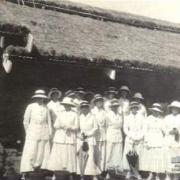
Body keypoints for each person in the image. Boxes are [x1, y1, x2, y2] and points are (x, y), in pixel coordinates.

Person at [20, 90, 52, 173]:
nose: (40, 99)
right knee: (32, 149)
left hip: (43, 131)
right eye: (38, 98)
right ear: (35, 98)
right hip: (32, 131)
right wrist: (28, 131)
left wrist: (50, 132)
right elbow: (26, 120)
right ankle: (29, 168)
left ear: (43, 99)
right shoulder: (30, 106)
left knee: (41, 149)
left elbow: (48, 121)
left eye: (41, 98)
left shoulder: (46, 107)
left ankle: (38, 166)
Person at [48, 97, 78, 175]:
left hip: (70, 136)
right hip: (60, 136)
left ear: (71, 106)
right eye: (65, 105)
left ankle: (69, 173)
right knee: (59, 153)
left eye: (68, 105)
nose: (66, 106)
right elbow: (55, 125)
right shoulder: (60, 114)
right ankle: (57, 173)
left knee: (69, 153)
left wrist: (70, 127)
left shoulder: (74, 114)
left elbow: (77, 126)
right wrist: (61, 126)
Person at [77, 101, 101, 180]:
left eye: (86, 107)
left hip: (90, 138)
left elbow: (95, 128)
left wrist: (88, 134)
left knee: (90, 156)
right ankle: (82, 174)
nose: (84, 109)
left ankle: (93, 175)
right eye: (83, 107)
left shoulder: (93, 117)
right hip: (81, 139)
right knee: (81, 157)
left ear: (88, 108)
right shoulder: (79, 117)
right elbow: (77, 129)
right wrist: (80, 136)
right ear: (81, 109)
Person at [142, 105, 165, 180]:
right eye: (154, 111)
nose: (156, 112)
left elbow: (164, 130)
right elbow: (145, 131)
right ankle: (151, 174)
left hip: (159, 139)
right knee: (150, 157)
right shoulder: (148, 119)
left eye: (157, 111)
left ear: (159, 112)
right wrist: (146, 141)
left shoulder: (161, 119)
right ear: (152, 111)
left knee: (158, 157)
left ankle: (157, 175)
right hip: (150, 139)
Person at [123, 101, 144, 180]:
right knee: (129, 154)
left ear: (137, 109)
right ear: (130, 109)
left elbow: (144, 128)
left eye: (135, 108)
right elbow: (125, 128)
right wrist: (131, 136)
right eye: (132, 108)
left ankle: (136, 172)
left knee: (137, 155)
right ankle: (130, 171)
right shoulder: (127, 117)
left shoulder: (141, 117)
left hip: (139, 138)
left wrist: (139, 137)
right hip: (130, 138)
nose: (134, 109)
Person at [106, 99, 123, 174]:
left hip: (118, 134)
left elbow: (121, 125)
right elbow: (116, 124)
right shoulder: (109, 114)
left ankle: (117, 169)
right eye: (113, 106)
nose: (115, 108)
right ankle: (108, 170)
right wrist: (117, 124)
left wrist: (118, 124)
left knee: (118, 151)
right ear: (111, 107)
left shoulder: (120, 114)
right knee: (110, 152)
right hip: (111, 134)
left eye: (116, 106)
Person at [91, 94, 107, 174]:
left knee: (102, 151)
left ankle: (101, 168)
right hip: (95, 133)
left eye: (101, 101)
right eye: (97, 101)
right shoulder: (92, 111)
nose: (99, 103)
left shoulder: (104, 112)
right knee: (95, 151)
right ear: (95, 102)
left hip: (103, 133)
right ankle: (95, 168)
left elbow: (106, 124)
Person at [164, 101, 180, 180]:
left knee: (176, 158)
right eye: (173, 108)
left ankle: (176, 176)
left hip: (177, 140)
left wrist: (178, 131)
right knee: (168, 158)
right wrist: (169, 131)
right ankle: (168, 175)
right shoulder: (167, 118)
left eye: (177, 108)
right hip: (168, 140)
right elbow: (164, 128)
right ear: (171, 108)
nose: (175, 109)